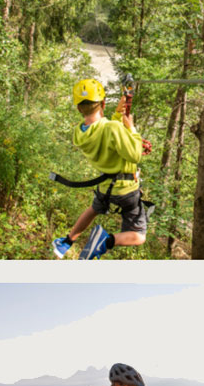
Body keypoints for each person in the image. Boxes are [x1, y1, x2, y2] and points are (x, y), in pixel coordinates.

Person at [52, 79, 150, 259]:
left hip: (105, 186)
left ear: (78, 108)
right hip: (126, 190)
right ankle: (105, 241)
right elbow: (135, 155)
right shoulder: (112, 128)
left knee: (93, 210)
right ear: (103, 103)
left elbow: (106, 132)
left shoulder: (79, 132)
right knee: (139, 236)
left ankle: (67, 241)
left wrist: (118, 114)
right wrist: (132, 129)